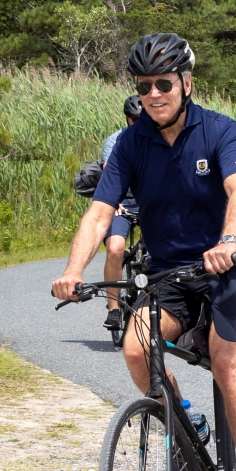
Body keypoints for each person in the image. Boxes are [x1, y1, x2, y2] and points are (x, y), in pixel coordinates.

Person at [51, 33, 236, 471]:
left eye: (164, 83)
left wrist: (227, 240)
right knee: (136, 348)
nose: (154, 93)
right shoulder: (132, 144)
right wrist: (71, 270)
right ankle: (188, 427)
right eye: (144, 85)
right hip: (169, 274)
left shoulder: (219, 131)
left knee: (226, 362)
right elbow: (100, 213)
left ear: (186, 83)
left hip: (228, 266)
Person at [99, 94, 142, 330]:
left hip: (149, 204)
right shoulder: (115, 141)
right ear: (128, 119)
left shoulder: (162, 140)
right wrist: (113, 202)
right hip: (121, 204)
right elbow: (109, 176)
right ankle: (114, 309)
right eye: (135, 119)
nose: (140, 122)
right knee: (114, 249)